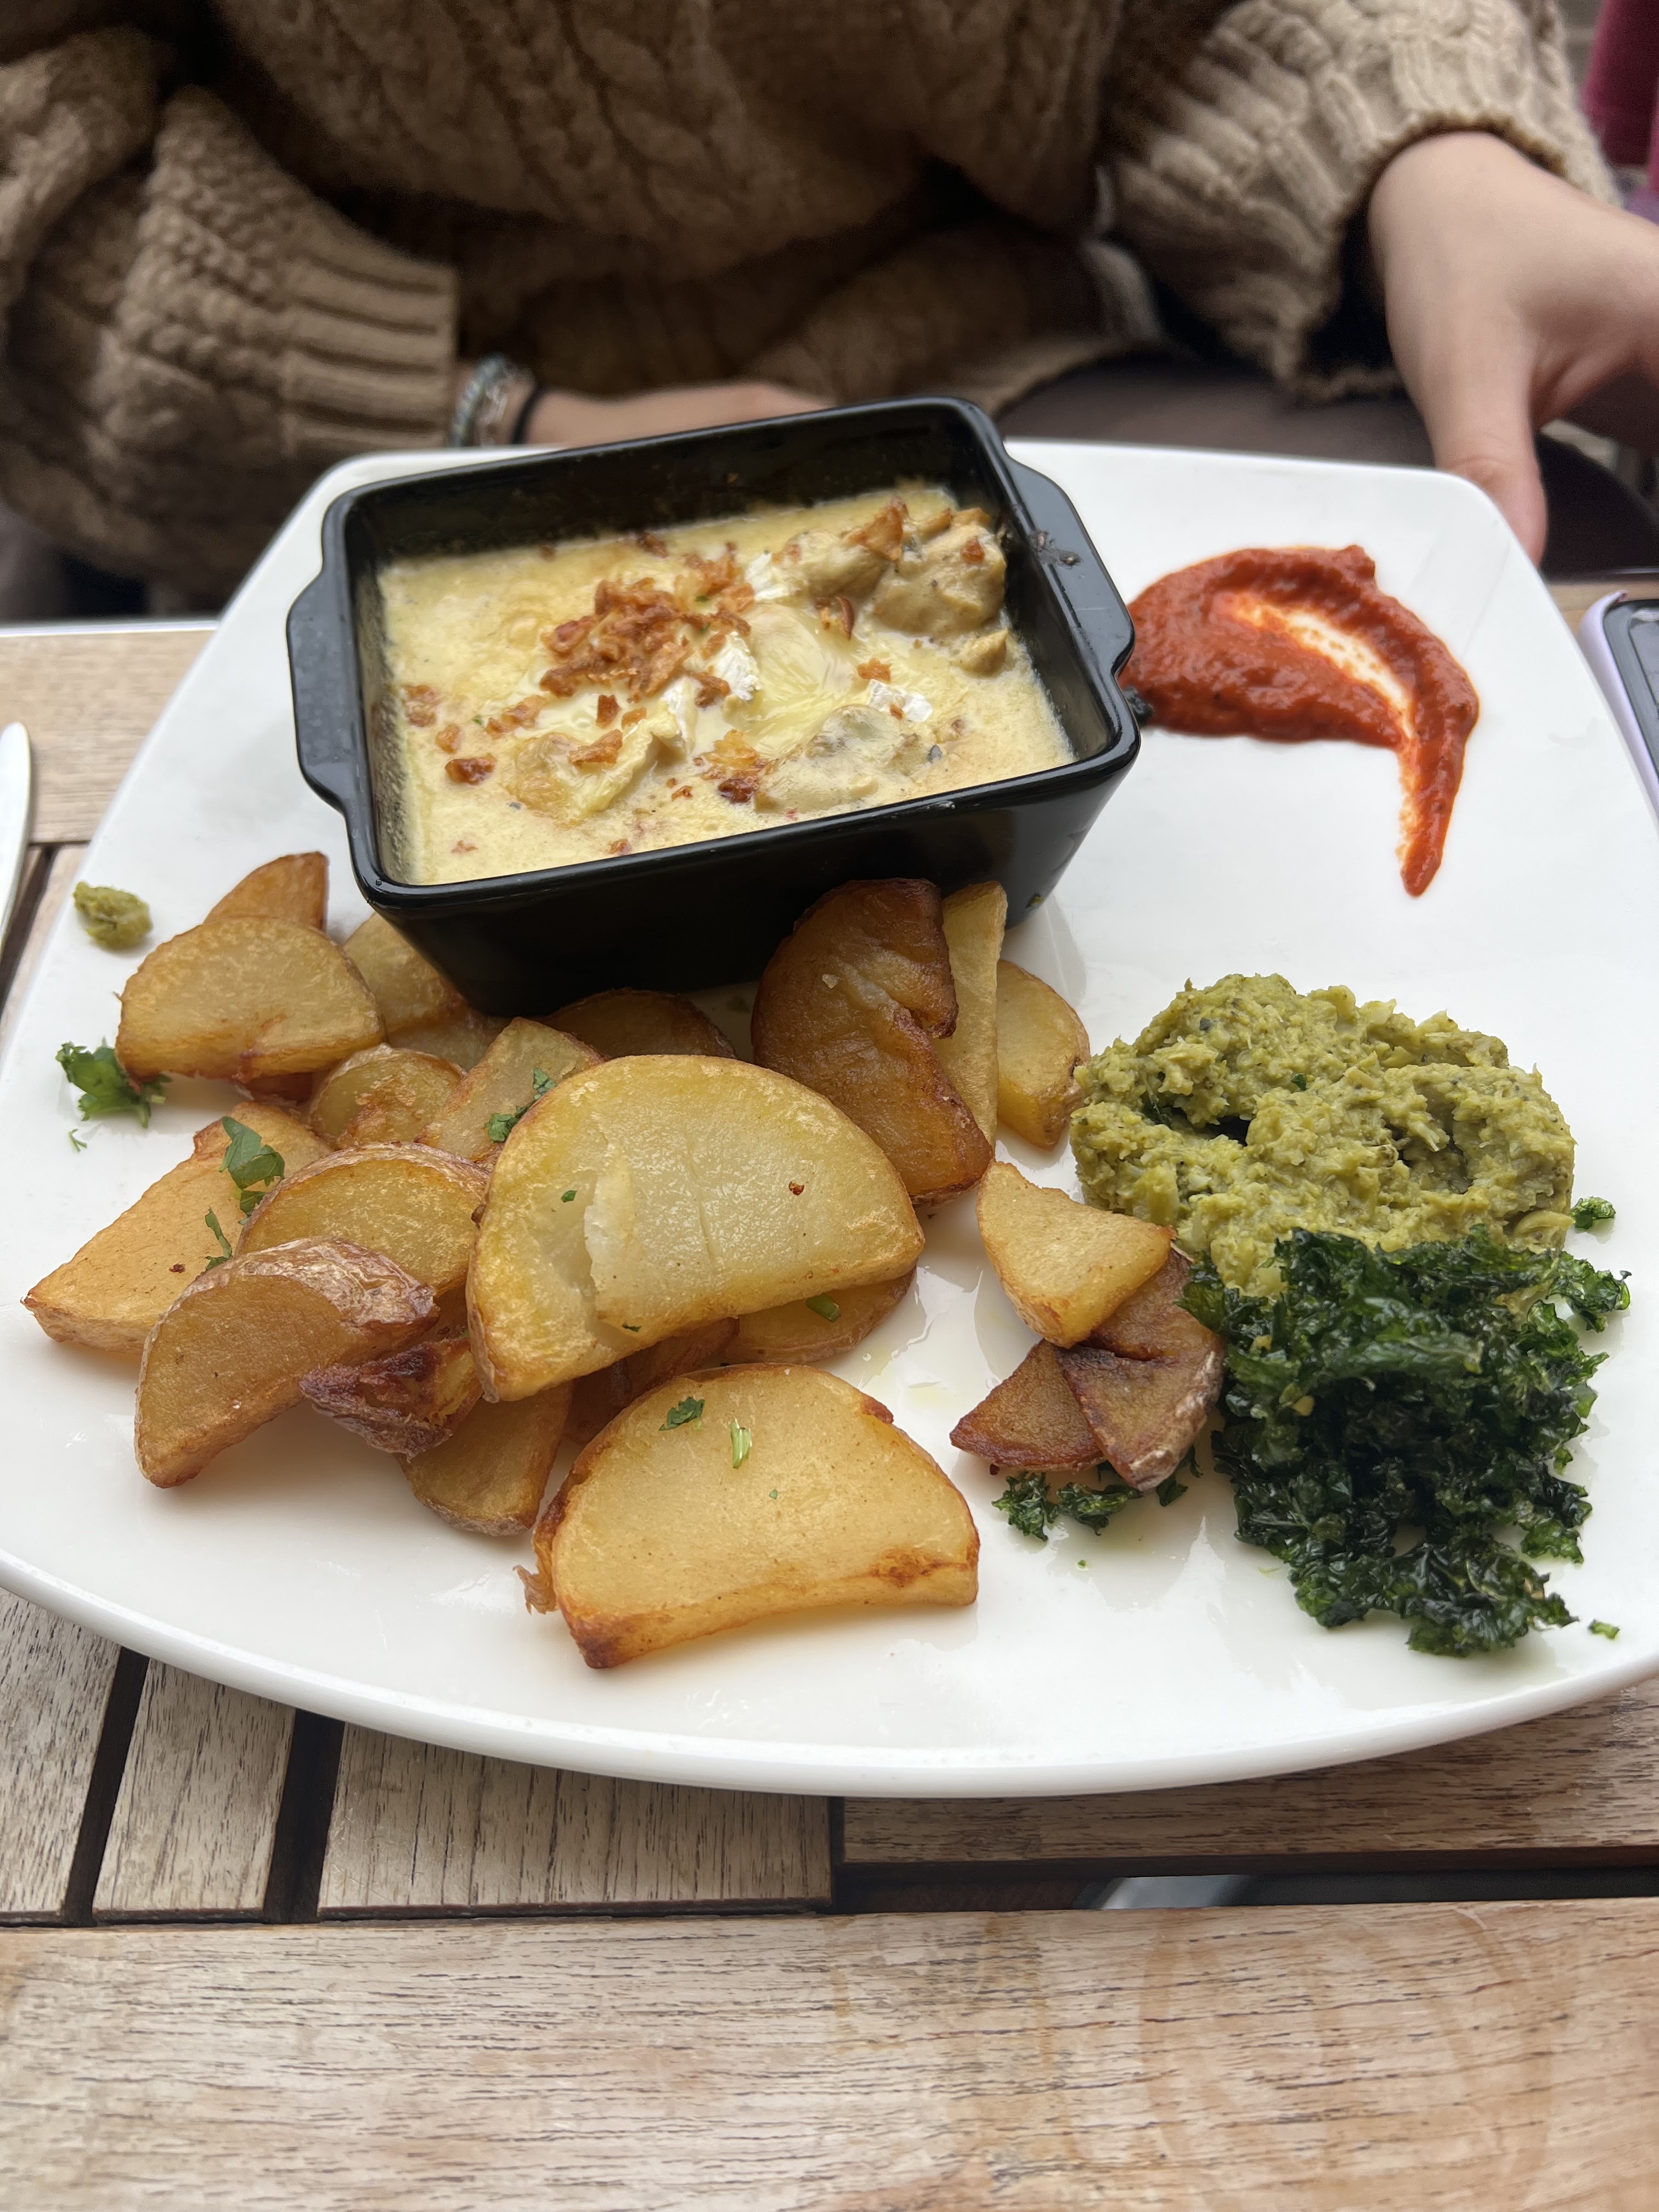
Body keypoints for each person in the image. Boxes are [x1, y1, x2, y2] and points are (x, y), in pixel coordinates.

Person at [0, 2, 1653, 606]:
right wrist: (486, 419)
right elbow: (38, 151)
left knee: (1546, 576)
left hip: (981, 357)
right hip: (389, 445)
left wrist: (1422, 161)